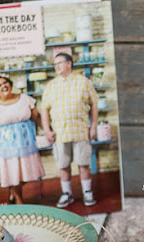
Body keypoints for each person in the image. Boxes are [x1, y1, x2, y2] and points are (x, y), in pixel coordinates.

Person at [41, 52, 99, 208]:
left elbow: (94, 104)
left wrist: (93, 126)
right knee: (63, 166)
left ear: (69, 64)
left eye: (60, 63)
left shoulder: (83, 82)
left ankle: (87, 193)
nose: (57, 66)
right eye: (55, 64)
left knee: (83, 164)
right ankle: (67, 194)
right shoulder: (51, 86)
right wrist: (47, 130)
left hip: (80, 131)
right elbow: (44, 110)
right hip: (60, 134)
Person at [0, 73, 45, 204]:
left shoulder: (25, 99)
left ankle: (12, 190)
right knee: (13, 174)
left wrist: (48, 131)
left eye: (5, 83)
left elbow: (36, 117)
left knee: (24, 174)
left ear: (10, 84)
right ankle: (19, 201)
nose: (3, 86)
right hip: (7, 146)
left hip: (26, 143)